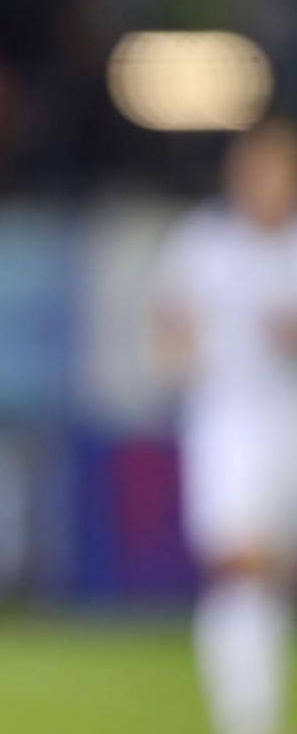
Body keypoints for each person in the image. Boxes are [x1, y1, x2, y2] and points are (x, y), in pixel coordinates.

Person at [154, 117, 297, 734]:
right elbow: (169, 324)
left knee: (266, 569)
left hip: (288, 416)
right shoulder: (202, 244)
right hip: (229, 419)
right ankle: (248, 718)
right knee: (236, 564)